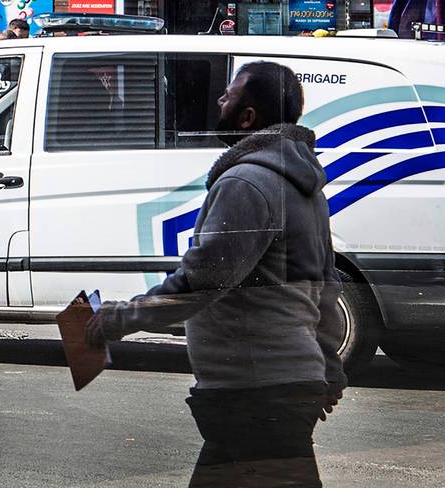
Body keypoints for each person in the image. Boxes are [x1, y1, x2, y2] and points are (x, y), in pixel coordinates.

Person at [85, 61, 348, 487]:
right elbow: (324, 287)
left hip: (254, 390)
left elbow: (200, 283)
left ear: (248, 117)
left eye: (228, 95)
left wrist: (115, 319)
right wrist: (328, 367)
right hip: (270, 387)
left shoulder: (247, 183)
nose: (219, 101)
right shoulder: (303, 185)